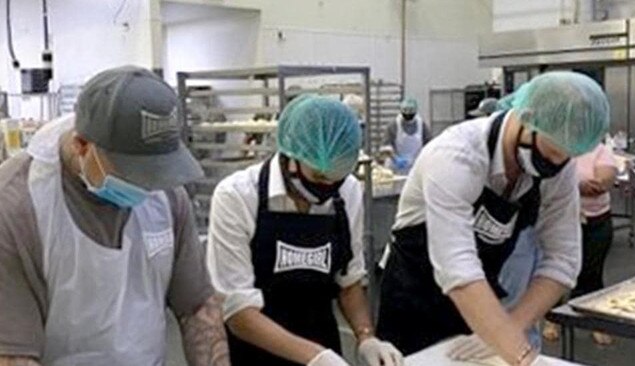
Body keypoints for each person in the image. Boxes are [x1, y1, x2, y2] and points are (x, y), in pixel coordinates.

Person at [0, 66, 230, 366]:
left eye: (156, 173)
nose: (147, 185)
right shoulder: (17, 208)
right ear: (81, 145)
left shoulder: (168, 193)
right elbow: (14, 355)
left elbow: (198, 309)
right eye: (132, 172)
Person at [376, 71, 610, 365]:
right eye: (551, 152)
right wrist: (517, 351)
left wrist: (512, 325)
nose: (556, 165)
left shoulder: (557, 169)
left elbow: (563, 259)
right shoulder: (455, 157)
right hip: (414, 303)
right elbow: (457, 266)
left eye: (566, 158)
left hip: (481, 304)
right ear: (525, 118)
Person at [207, 95, 402, 366]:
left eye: (337, 177)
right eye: (320, 177)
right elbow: (238, 313)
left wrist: (366, 336)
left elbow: (349, 281)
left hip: (323, 342)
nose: (328, 187)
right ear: (291, 157)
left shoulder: (347, 193)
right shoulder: (237, 197)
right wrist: (315, 357)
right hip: (255, 350)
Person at [544, 143, 617, 345]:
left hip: (597, 221)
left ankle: (593, 321)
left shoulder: (599, 149)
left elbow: (607, 174)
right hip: (562, 221)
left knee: (592, 274)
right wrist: (577, 186)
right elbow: (549, 179)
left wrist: (600, 183)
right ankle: (553, 319)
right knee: (555, 274)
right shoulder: (554, 147)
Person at [381, 97, 432, 175]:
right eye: (405, 114)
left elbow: (429, 146)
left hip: (415, 166)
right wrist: (395, 159)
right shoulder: (394, 125)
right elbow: (386, 146)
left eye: (410, 114)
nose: (408, 116)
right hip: (395, 167)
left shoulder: (422, 125)